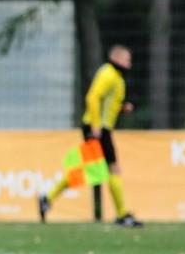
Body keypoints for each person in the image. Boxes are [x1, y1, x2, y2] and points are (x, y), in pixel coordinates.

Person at [38, 44, 143, 227]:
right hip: (98, 129)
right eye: (127, 60)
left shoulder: (115, 77)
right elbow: (92, 97)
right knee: (112, 168)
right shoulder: (108, 74)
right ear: (116, 59)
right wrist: (95, 125)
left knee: (87, 170)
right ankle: (121, 215)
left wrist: (121, 108)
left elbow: (105, 102)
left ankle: (48, 197)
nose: (129, 64)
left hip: (101, 128)